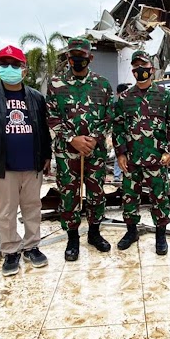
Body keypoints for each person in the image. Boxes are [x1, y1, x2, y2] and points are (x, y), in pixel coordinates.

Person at [0, 45, 52, 276]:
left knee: (33, 208)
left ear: (24, 69)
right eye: (4, 64)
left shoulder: (35, 97)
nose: (9, 69)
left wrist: (46, 156)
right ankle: (11, 250)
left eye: (15, 65)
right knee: (6, 211)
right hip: (2, 168)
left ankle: (32, 246)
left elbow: (43, 130)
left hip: (31, 165)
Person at [47, 37, 113, 262]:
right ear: (67, 57)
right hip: (67, 154)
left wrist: (94, 139)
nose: (77, 60)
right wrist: (72, 139)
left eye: (81, 57)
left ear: (90, 58)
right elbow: (52, 117)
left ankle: (94, 233)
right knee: (69, 195)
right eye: (73, 56)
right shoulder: (55, 84)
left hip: (95, 153)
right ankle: (72, 238)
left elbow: (109, 116)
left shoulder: (102, 84)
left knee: (96, 193)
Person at [113, 50, 170, 254]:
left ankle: (161, 235)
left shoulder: (164, 95)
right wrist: (121, 153)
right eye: (136, 67)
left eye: (144, 66)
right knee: (129, 197)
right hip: (132, 159)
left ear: (151, 69)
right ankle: (131, 231)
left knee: (160, 197)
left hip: (157, 158)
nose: (140, 70)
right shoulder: (124, 98)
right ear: (132, 71)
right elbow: (118, 127)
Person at [112, 83, 130, 182]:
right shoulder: (116, 105)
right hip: (121, 134)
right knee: (119, 154)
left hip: (128, 135)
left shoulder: (129, 105)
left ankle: (120, 175)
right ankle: (117, 175)